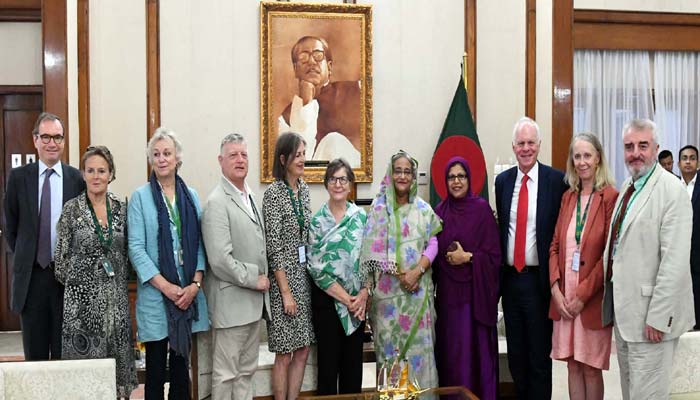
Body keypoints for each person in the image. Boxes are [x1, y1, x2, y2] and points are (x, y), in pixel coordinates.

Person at [602, 119, 695, 399]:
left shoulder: (671, 190)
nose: (635, 153)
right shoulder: (629, 188)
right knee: (632, 393)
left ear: (656, 148)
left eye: (643, 145)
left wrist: (659, 317)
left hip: (652, 321)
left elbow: (675, 261)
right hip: (628, 317)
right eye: (629, 147)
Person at [128, 127, 210, 400]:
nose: (162, 159)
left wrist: (195, 284)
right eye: (156, 154)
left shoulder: (192, 197)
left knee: (180, 372)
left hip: (187, 296)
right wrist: (167, 288)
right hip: (156, 298)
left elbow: (200, 243)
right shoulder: (140, 197)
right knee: (154, 375)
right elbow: (136, 249)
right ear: (151, 160)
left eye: (167, 153)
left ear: (177, 159)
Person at [54, 145, 137, 398]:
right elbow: (60, 260)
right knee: (85, 381)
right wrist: (85, 284)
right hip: (82, 311)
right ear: (83, 174)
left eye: (102, 170)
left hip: (117, 307)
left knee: (116, 378)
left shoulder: (122, 209)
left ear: (111, 174)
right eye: (90, 170)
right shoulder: (72, 209)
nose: (96, 176)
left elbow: (128, 255)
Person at [494, 117, 567, 399]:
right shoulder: (502, 182)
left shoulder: (555, 180)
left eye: (530, 143)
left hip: (539, 283)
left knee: (538, 357)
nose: (526, 148)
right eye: (521, 143)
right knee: (516, 357)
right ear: (513, 147)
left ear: (539, 145)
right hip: (510, 281)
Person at [3, 112, 85, 360]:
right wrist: (28, 255)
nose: (52, 143)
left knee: (64, 357)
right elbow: (11, 226)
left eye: (58, 137)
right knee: (35, 359)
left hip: (66, 282)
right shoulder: (18, 178)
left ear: (63, 141)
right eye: (46, 136)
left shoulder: (76, 179)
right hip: (31, 280)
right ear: (35, 140)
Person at [360, 150, 442, 390]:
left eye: (408, 171)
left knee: (420, 358)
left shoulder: (424, 209)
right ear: (390, 174)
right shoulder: (378, 209)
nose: (403, 176)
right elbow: (370, 251)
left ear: (413, 176)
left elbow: (434, 242)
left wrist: (417, 271)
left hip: (417, 296)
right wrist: (400, 275)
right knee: (391, 359)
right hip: (388, 304)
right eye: (398, 171)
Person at [201, 133, 271, 400]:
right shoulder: (217, 202)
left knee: (246, 373)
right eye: (233, 155)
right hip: (232, 308)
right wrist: (255, 279)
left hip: (252, 307)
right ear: (220, 161)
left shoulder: (249, 196)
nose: (240, 160)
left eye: (243, 154)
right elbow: (220, 260)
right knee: (226, 375)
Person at [548, 133, 618, 400]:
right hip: (564, 299)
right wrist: (556, 289)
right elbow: (554, 245)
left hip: (590, 300)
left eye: (587, 155)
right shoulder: (568, 197)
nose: (582, 162)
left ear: (598, 158)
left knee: (590, 367)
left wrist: (582, 296)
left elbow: (610, 254)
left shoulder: (610, 196)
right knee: (573, 365)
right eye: (577, 156)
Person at [433, 156, 501, 400]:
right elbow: (430, 253)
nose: (456, 181)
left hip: (476, 300)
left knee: (477, 357)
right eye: (451, 177)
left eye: (461, 176)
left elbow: (495, 258)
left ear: (469, 178)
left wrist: (469, 257)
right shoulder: (439, 213)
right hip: (450, 301)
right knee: (453, 359)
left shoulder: (481, 210)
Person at [308, 158, 368, 395]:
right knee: (328, 370)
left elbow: (370, 260)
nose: (338, 184)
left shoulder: (361, 218)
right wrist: (347, 299)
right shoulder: (317, 221)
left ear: (350, 183)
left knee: (353, 371)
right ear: (326, 184)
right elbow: (315, 267)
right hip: (328, 304)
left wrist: (363, 294)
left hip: (358, 307)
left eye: (343, 179)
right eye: (333, 179)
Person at [263, 131, 315, 400]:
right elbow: (274, 247)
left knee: (304, 348)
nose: (302, 160)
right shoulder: (273, 195)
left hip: (303, 278)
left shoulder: (304, 189)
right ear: (283, 159)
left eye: (304, 154)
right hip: (283, 282)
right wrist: (285, 292)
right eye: (297, 154)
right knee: (284, 351)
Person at [278, 36, 361, 167]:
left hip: (354, 178)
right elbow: (297, 165)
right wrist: (306, 104)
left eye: (318, 55)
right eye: (303, 57)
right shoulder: (286, 118)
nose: (311, 61)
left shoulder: (358, 90)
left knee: (334, 141)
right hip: (313, 183)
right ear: (295, 70)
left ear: (329, 67)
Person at [678, 145, 700, 330]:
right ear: (679, 163)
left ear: (697, 162)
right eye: (684, 158)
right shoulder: (674, 185)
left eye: (692, 158)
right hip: (679, 246)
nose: (688, 161)